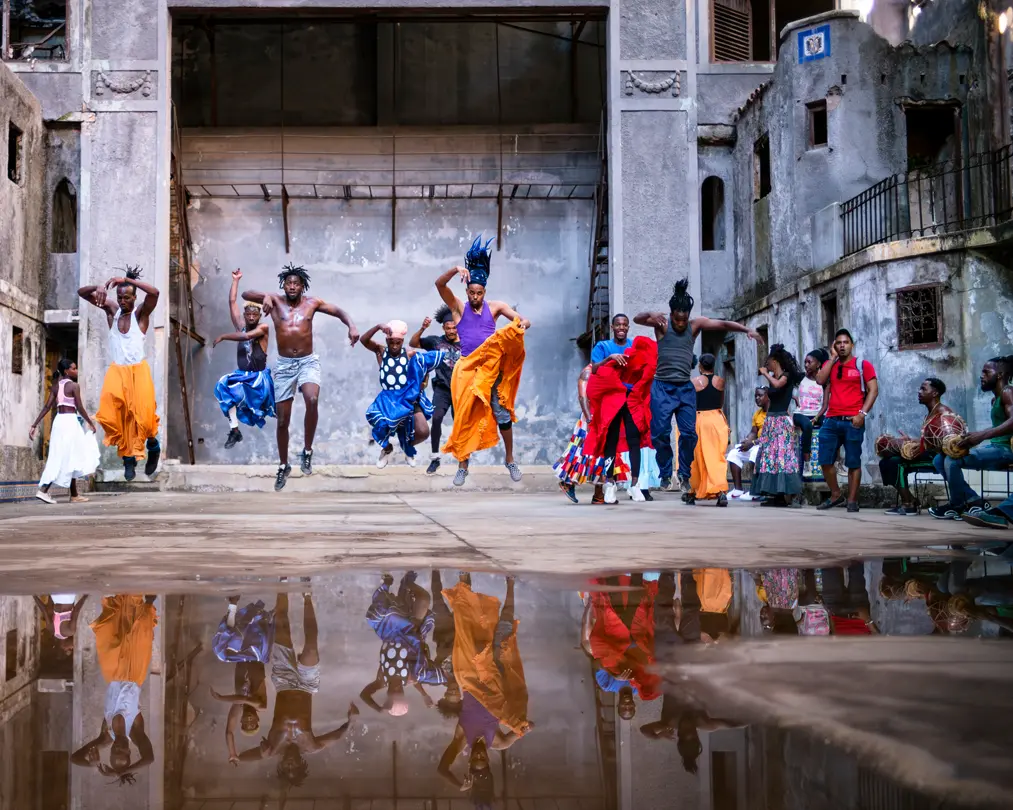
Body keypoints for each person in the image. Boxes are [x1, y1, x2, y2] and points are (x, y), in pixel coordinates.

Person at [634, 279, 759, 493]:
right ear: (672, 314)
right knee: (660, 433)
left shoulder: (695, 325)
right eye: (677, 319)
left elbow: (723, 324)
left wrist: (746, 329)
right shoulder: (662, 325)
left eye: (684, 319)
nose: (681, 323)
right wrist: (651, 313)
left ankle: (684, 473)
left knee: (689, 434)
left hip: (684, 388)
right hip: (662, 387)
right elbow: (637, 319)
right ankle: (665, 472)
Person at [242, 264, 360, 491]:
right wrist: (266, 296)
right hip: (285, 366)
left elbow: (339, 311)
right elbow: (246, 294)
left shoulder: (312, 303)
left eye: (296, 283)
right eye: (289, 283)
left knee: (312, 399)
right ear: (283, 285)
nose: (292, 286)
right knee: (283, 421)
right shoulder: (275, 301)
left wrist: (352, 326)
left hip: (307, 361)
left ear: (302, 285)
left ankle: (307, 451)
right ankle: (283, 465)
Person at [233, 591, 359, 787]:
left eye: (286, 769)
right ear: (302, 764)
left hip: (283, 682)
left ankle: (281, 586)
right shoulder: (311, 746)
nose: (290, 765)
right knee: (310, 649)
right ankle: (308, 596)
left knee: (281, 623)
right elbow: (336, 736)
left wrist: (237, 757)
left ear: (281, 766)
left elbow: (249, 756)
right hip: (307, 686)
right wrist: (350, 722)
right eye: (295, 768)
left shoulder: (272, 748)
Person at [435, 236, 531, 487]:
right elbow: (439, 284)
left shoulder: (495, 306)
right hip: (468, 368)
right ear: (467, 292)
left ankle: (510, 458)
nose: (475, 296)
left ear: (484, 292)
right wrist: (456, 269)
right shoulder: (458, 308)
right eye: (472, 292)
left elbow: (519, 319)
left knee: (502, 413)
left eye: (479, 292)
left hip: (492, 368)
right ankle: (462, 466)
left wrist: (523, 323)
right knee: (464, 417)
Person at [438, 577, 533, 800]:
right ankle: (510, 583)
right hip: (496, 678)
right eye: (483, 759)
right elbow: (524, 729)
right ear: (489, 761)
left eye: (475, 759)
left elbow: (441, 769)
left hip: (470, 675)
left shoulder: (462, 740)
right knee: (503, 629)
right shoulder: (498, 743)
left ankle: (465, 582)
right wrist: (525, 727)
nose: (479, 755)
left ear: (470, 761)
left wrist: (456, 783)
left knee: (467, 628)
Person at [77, 266, 161, 481]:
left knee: (144, 415)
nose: (122, 301)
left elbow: (155, 293)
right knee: (115, 412)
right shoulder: (112, 311)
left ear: (134, 298)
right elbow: (82, 293)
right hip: (117, 370)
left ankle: (153, 446)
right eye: (120, 297)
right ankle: (128, 460)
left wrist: (125, 279)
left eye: (127, 297)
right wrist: (98, 286)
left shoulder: (140, 314)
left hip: (138, 370)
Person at [71, 595, 158, 785]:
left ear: (110, 751)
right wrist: (123, 772)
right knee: (138, 632)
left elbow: (75, 758)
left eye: (115, 752)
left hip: (113, 674)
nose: (119, 749)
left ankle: (120, 598)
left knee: (110, 632)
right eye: (124, 753)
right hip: (135, 673)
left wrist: (94, 765)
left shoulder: (106, 735)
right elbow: (150, 758)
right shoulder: (135, 732)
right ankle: (147, 603)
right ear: (129, 753)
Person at [932, 356, 1013, 527]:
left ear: (999, 374)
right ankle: (973, 499)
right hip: (995, 447)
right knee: (940, 459)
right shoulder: (995, 399)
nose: (981, 376)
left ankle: (957, 505)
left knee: (952, 460)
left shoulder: (1008, 392)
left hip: (1006, 450)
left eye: (986, 372)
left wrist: (982, 435)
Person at [361, 320, 445, 469]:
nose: (394, 345)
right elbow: (364, 340)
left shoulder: (409, 354)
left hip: (408, 398)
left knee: (423, 431)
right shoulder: (381, 351)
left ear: (402, 341)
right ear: (387, 340)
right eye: (391, 342)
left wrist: (423, 379)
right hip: (389, 400)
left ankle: (407, 447)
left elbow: (422, 366)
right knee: (379, 424)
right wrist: (378, 326)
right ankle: (387, 449)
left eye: (397, 342)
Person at [361, 571, 447, 716]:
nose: (396, 690)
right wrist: (425, 695)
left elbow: (364, 695)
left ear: (387, 697)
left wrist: (379, 709)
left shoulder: (381, 681)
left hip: (389, 632)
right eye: (399, 693)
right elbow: (421, 680)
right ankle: (407, 584)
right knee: (424, 599)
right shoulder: (410, 678)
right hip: (411, 633)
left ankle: (391, 586)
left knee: (388, 612)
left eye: (392, 693)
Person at [583, 337, 657, 504]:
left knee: (634, 439)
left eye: (624, 324)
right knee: (611, 439)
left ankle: (635, 484)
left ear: (628, 327)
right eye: (618, 324)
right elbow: (594, 369)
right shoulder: (603, 346)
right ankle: (610, 483)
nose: (621, 327)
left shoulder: (633, 345)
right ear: (613, 326)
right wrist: (610, 358)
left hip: (631, 398)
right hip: (612, 398)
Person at [815, 329, 879, 513]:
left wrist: (862, 414)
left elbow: (873, 390)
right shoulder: (831, 365)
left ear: (852, 344)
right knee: (825, 459)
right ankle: (836, 495)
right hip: (831, 419)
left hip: (853, 420)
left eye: (845, 342)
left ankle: (852, 500)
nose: (842, 345)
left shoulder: (862, 365)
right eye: (838, 343)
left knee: (853, 461)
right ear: (834, 346)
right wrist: (832, 359)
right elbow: (819, 379)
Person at [211, 269, 275, 449]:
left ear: (259, 316)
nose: (252, 316)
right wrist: (236, 280)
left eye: (255, 314)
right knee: (223, 386)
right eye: (249, 314)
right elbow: (232, 301)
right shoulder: (240, 326)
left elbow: (246, 338)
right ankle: (234, 430)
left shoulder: (263, 328)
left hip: (257, 378)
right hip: (242, 375)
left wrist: (224, 336)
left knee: (257, 408)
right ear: (245, 315)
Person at [581, 574, 662, 706]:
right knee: (636, 600)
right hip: (636, 633)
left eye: (624, 708)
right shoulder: (640, 682)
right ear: (634, 705)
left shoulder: (608, 684)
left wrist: (614, 675)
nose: (627, 705)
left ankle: (613, 574)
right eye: (630, 708)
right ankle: (634, 572)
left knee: (613, 603)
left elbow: (595, 662)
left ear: (618, 705)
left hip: (616, 634)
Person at [210, 597, 274, 759]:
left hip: (241, 656)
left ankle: (232, 605)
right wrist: (222, 698)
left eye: (245, 724)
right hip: (256, 654)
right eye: (253, 723)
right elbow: (243, 698)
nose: (249, 720)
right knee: (261, 621)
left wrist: (233, 754)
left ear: (241, 722)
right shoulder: (262, 705)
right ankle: (283, 587)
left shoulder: (237, 707)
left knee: (220, 651)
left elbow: (229, 732)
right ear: (258, 719)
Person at [29, 358, 100, 504]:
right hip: (70, 422)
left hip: (59, 422)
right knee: (63, 456)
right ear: (66, 371)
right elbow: (79, 407)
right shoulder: (74, 386)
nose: (76, 371)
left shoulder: (56, 386)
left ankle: (74, 495)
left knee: (68, 454)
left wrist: (34, 425)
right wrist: (90, 422)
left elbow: (47, 407)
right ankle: (43, 491)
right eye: (74, 368)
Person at [882, 378, 956, 516]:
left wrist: (921, 446)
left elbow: (947, 439)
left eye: (923, 389)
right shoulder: (931, 412)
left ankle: (908, 504)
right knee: (885, 462)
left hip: (938, 457)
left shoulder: (943, 412)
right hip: (929, 453)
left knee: (897, 463)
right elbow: (929, 439)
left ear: (934, 393)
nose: (919, 392)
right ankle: (911, 499)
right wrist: (911, 441)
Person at [554, 363, 621, 504]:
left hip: (605, 416)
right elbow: (582, 397)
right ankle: (568, 482)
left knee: (604, 453)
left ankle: (599, 494)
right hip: (590, 419)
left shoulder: (610, 370)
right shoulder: (588, 372)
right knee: (582, 452)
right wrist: (589, 419)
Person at [409, 305, 462, 475]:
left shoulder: (467, 342)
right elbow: (413, 343)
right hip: (442, 389)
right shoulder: (436, 342)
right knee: (437, 418)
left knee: (460, 424)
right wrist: (423, 328)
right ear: (443, 328)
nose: (451, 331)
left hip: (460, 390)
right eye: (448, 328)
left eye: (454, 327)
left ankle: (463, 460)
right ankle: (435, 458)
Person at [753, 344, 805, 506]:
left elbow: (777, 385)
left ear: (775, 361)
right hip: (771, 420)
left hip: (781, 421)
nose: (766, 364)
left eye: (769, 361)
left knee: (782, 457)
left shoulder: (786, 376)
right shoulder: (776, 376)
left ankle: (785, 494)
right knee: (770, 457)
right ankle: (774, 494)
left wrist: (765, 375)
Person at [687, 354, 729, 506]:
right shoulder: (721, 381)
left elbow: (689, 403)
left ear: (700, 366)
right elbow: (721, 402)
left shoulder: (694, 382)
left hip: (699, 419)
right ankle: (721, 491)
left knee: (697, 456)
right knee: (717, 456)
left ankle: (694, 490)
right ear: (713, 365)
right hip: (717, 418)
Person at [727, 387, 768, 499]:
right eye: (755, 396)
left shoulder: (773, 414)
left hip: (768, 447)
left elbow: (771, 437)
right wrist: (746, 441)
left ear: (768, 396)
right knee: (734, 453)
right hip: (756, 444)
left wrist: (753, 443)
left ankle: (755, 491)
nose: (757, 398)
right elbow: (753, 432)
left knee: (755, 453)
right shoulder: (757, 414)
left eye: (760, 395)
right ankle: (738, 489)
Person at [795, 348, 829, 479]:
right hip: (801, 414)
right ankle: (807, 462)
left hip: (817, 413)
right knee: (807, 426)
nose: (806, 365)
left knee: (832, 426)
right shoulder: (801, 378)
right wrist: (794, 398)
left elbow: (825, 405)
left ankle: (834, 462)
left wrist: (816, 417)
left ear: (818, 364)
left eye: (809, 362)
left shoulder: (824, 381)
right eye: (805, 362)